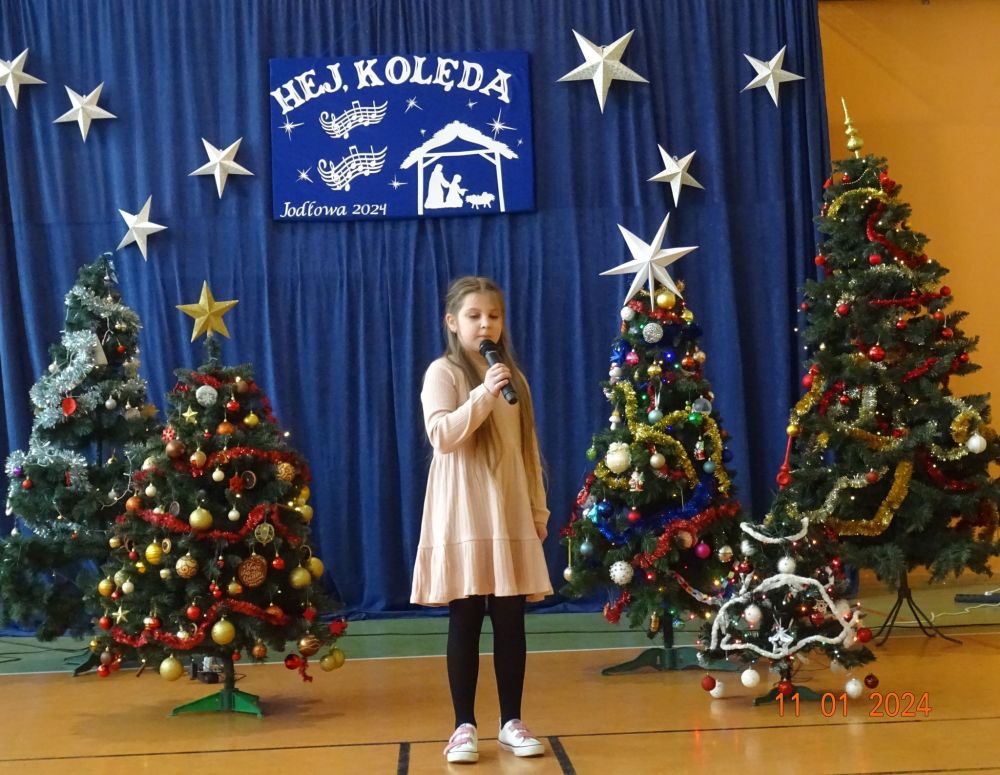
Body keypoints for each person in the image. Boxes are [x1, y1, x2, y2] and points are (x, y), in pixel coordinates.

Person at [411, 276, 552, 764]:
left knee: (511, 619)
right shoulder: (444, 372)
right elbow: (442, 436)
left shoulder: (514, 379)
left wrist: (537, 510)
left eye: (493, 316)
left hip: (508, 510)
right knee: (467, 617)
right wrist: (483, 394)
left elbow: (527, 451)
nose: (485, 324)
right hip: (463, 514)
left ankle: (512, 721)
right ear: (453, 322)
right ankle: (463, 727)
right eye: (474, 316)